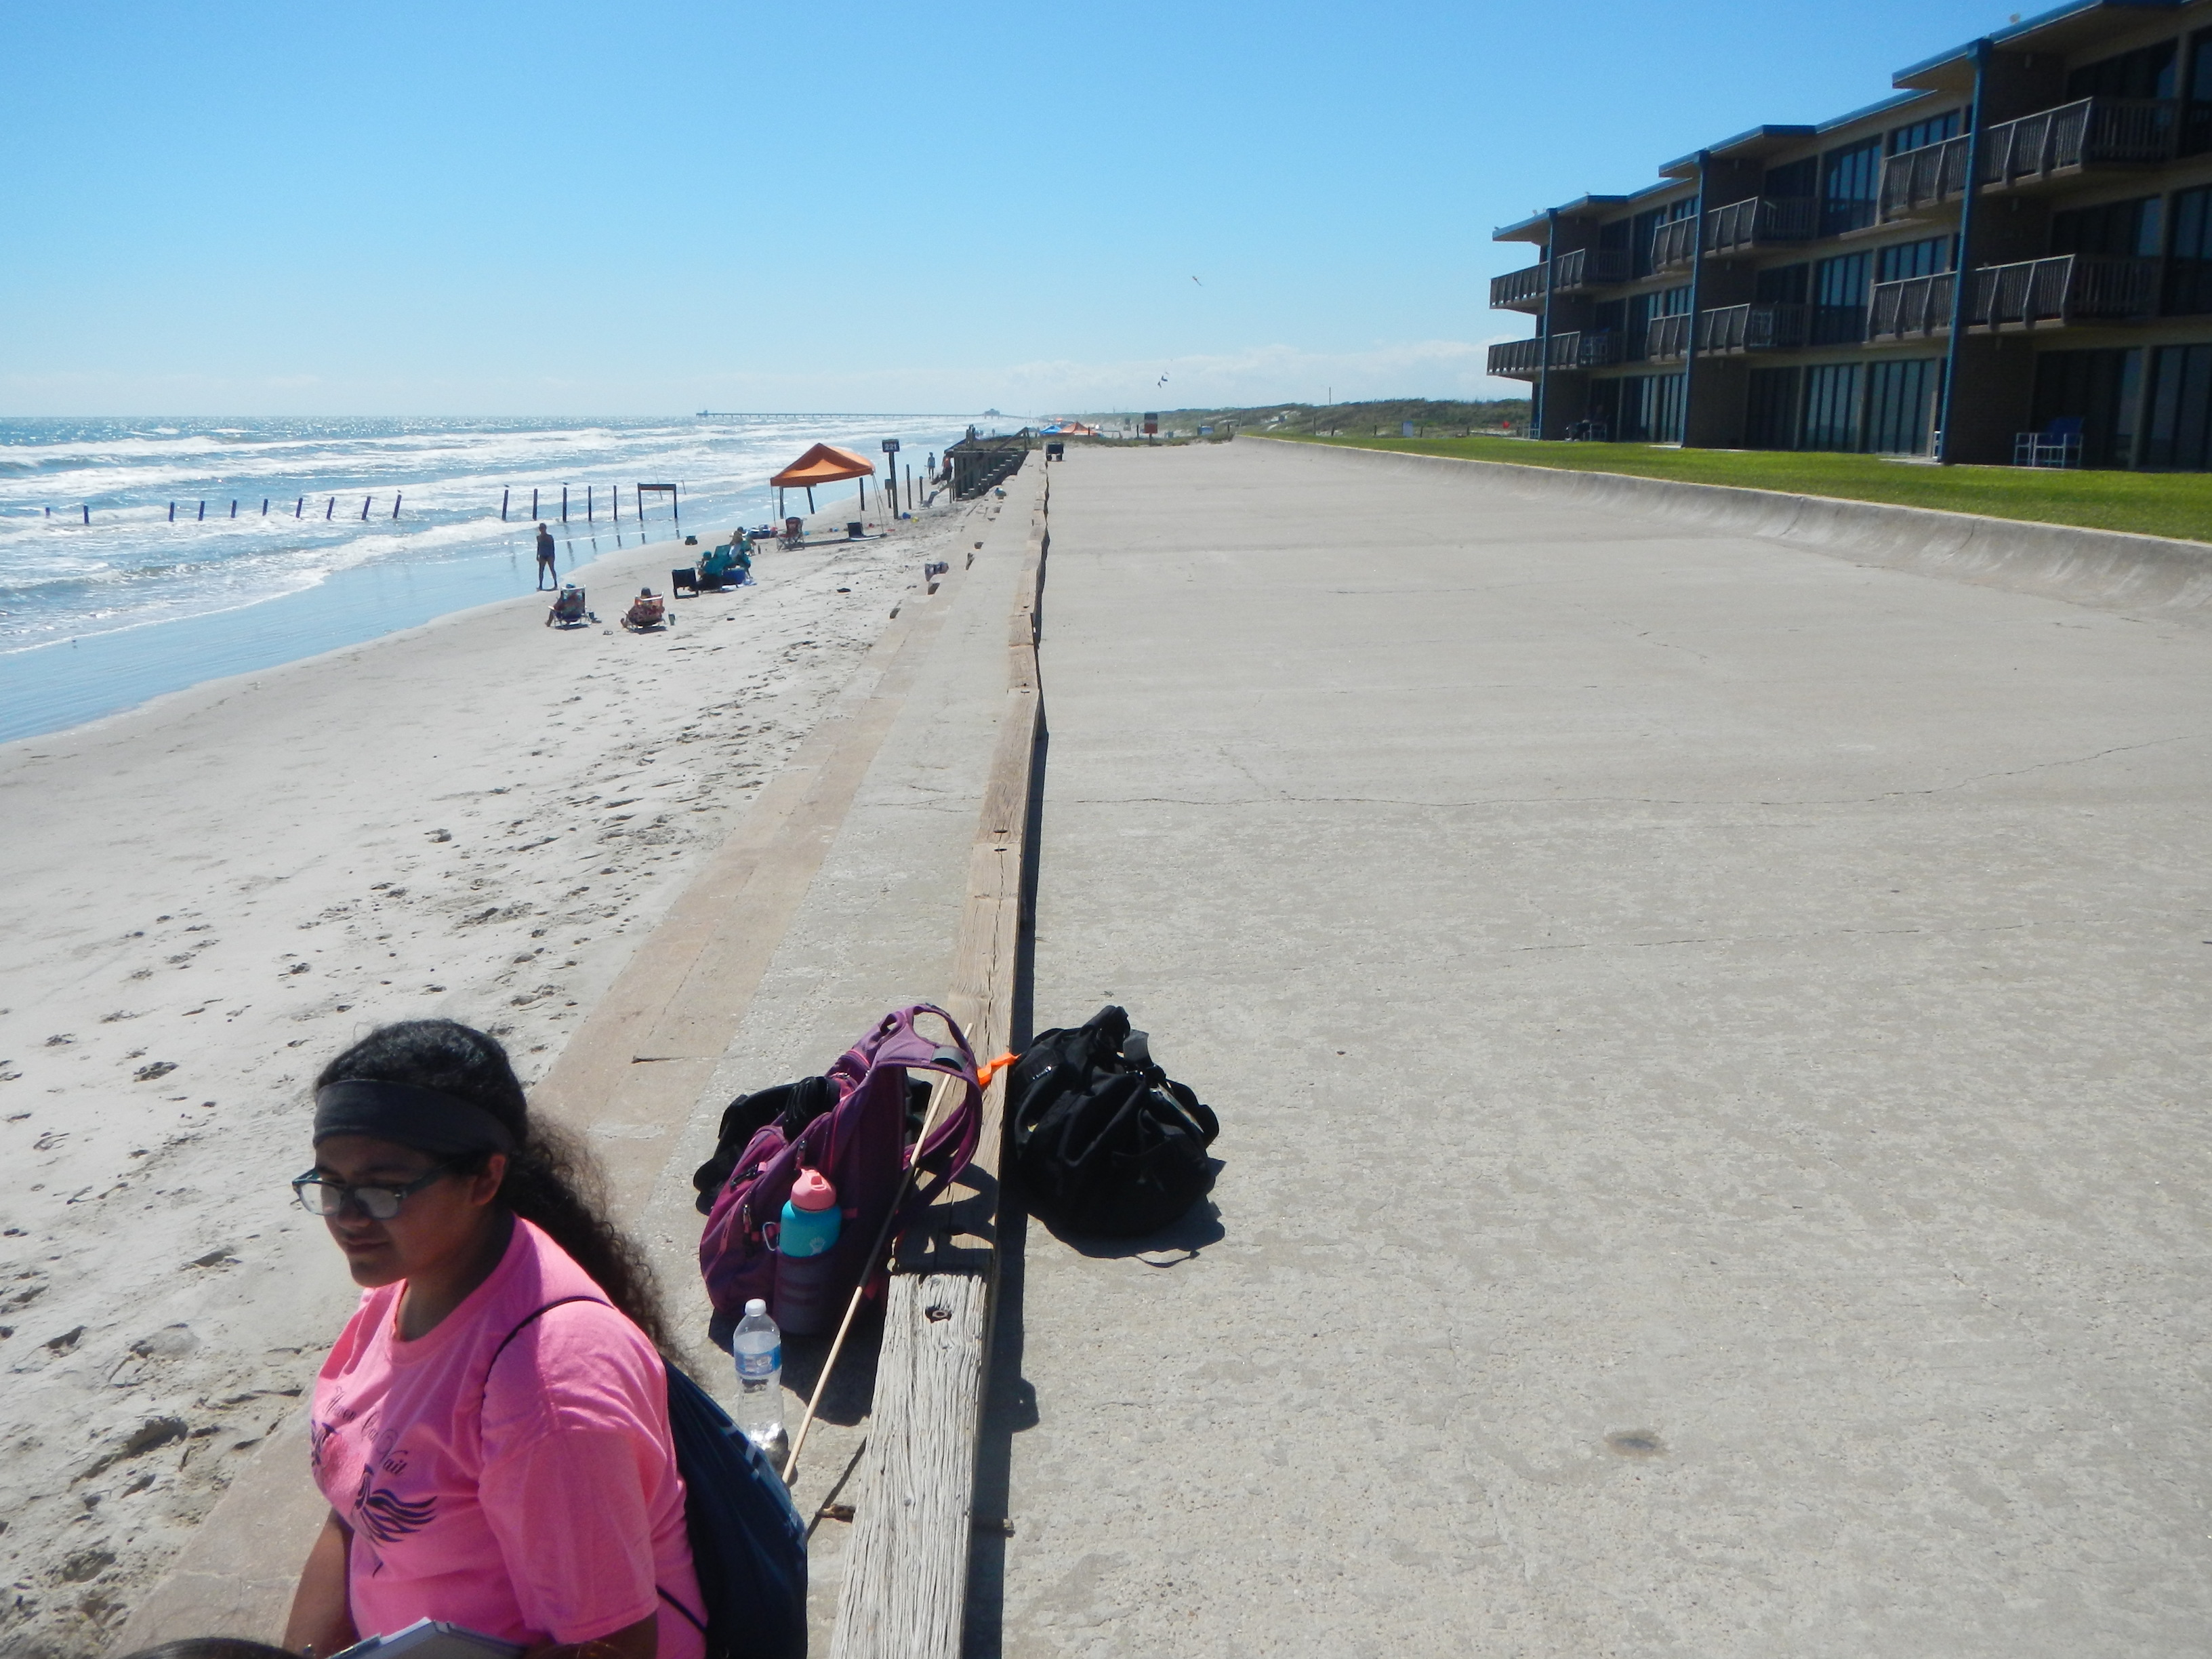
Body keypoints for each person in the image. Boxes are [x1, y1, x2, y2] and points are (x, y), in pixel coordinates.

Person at [283, 1021, 703, 1659]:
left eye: (384, 1188)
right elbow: (353, 1515)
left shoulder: (547, 1392)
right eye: (331, 1184)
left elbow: (612, 1648)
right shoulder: (406, 1283)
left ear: (484, 1180)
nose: (348, 1216)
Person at [535, 524, 558, 590]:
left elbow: (553, 547)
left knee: (552, 569)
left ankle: (556, 584)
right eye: (540, 528)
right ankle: (540, 585)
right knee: (541, 570)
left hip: (550, 555)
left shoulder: (549, 537)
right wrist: (537, 555)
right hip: (542, 555)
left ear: (545, 529)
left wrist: (553, 556)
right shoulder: (538, 537)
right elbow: (538, 547)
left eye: (542, 528)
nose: (541, 530)